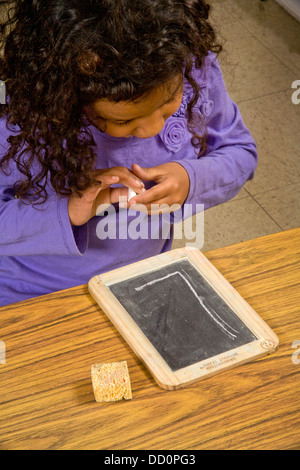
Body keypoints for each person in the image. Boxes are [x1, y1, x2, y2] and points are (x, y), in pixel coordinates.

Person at [0, 0, 258, 307]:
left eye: (169, 101)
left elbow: (240, 152)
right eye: (122, 121)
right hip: (35, 293)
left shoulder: (190, 65)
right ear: (68, 96)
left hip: (141, 279)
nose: (151, 129)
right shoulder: (19, 118)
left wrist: (192, 179)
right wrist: (66, 209)